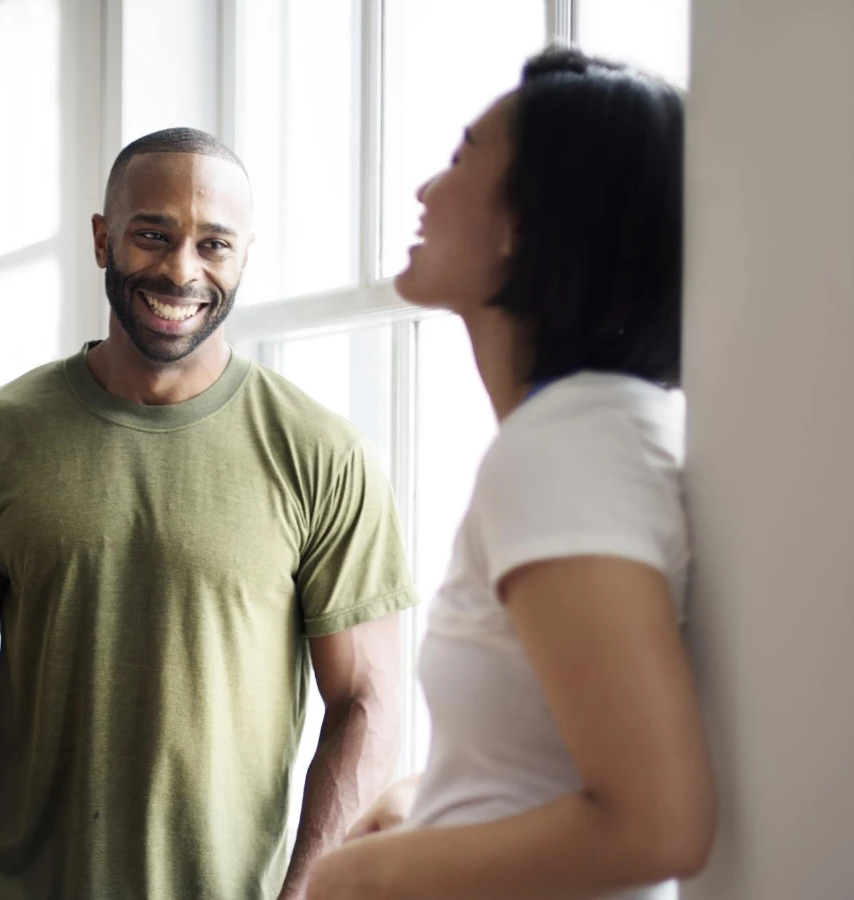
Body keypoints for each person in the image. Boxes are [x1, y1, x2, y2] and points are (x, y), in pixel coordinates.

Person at [0, 127, 419, 900]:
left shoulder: (322, 453)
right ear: (104, 238)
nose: (181, 270)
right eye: (153, 235)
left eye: (214, 244)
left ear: (245, 257)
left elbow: (368, 703)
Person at [306, 47, 715, 900]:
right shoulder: (592, 431)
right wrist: (430, 805)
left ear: (526, 224)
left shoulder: (568, 444)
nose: (425, 192)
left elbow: (657, 823)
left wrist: (358, 876)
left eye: (461, 159)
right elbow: (556, 768)